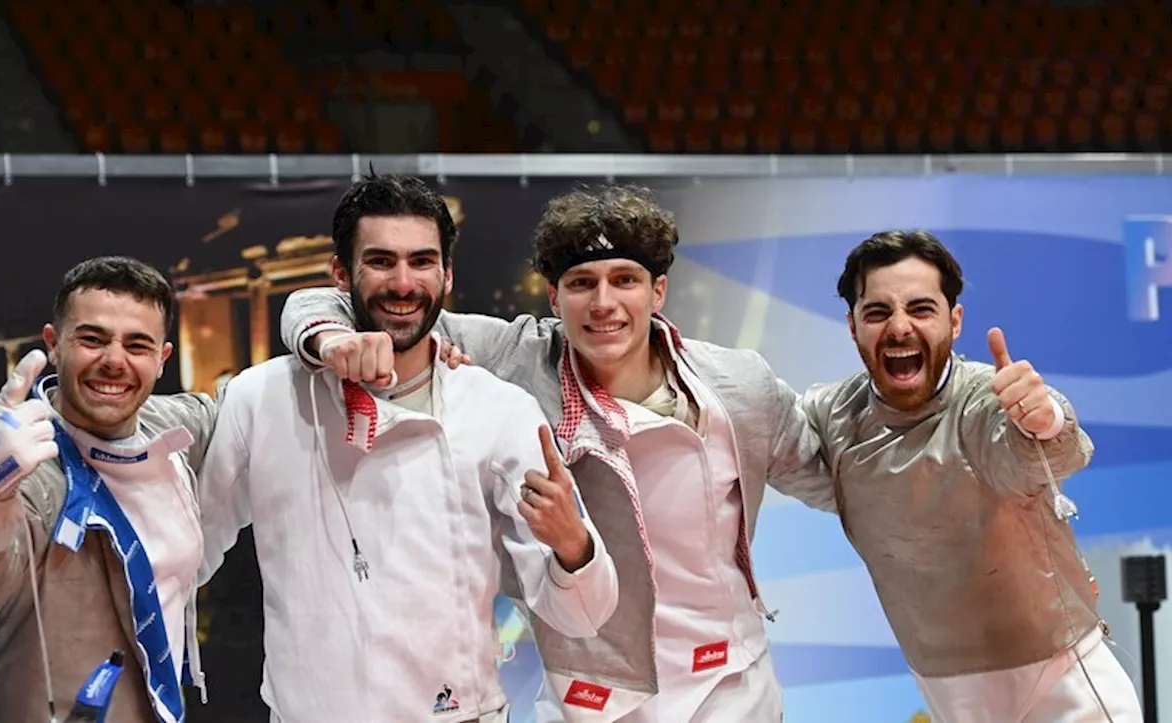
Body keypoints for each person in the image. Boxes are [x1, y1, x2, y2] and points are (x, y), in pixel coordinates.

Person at [280, 184, 834, 721]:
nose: (604, 303)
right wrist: (329, 339)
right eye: (581, 283)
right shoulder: (519, 356)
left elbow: (831, 475)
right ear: (553, 296)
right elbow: (363, 301)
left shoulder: (738, 385)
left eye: (625, 280)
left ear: (658, 292)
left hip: (729, 681)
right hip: (589, 690)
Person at [196, 174, 621, 723]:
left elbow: (582, 614)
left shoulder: (499, 409)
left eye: (422, 262)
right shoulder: (264, 398)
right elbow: (190, 553)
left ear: (447, 276)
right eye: (381, 261)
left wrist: (572, 546)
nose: (403, 283)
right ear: (341, 276)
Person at [801, 230, 1142, 722]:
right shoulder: (831, 414)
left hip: (1063, 681)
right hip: (947, 691)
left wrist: (1046, 421)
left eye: (921, 309)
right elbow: (768, 444)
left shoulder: (985, 399)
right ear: (852, 325)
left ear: (954, 321)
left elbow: (1037, 448)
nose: (899, 328)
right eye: (878, 312)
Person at [0, 256, 218, 723]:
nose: (114, 361)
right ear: (54, 344)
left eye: (137, 344)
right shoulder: (23, 472)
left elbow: (260, 395)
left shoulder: (174, 425)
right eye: (92, 339)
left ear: (162, 358)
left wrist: (321, 333)